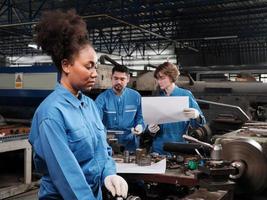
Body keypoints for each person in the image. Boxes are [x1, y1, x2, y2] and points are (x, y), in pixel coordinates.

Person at [29, 10, 128, 200]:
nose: (95, 73)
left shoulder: (90, 106)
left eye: (96, 67)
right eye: (88, 66)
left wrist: (109, 173)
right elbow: (66, 176)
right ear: (66, 65)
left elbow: (102, 149)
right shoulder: (52, 113)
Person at [147, 62, 206, 155]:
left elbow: (200, 124)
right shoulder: (157, 96)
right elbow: (150, 123)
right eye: (158, 79)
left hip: (178, 147)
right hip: (158, 148)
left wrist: (197, 116)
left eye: (162, 78)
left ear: (171, 77)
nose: (159, 82)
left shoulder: (185, 95)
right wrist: (150, 130)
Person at [95, 64, 144, 152]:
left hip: (130, 142)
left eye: (122, 79)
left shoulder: (136, 96)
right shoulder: (102, 98)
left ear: (128, 79)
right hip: (108, 143)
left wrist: (140, 126)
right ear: (111, 78)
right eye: (116, 78)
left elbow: (141, 117)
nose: (118, 82)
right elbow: (95, 121)